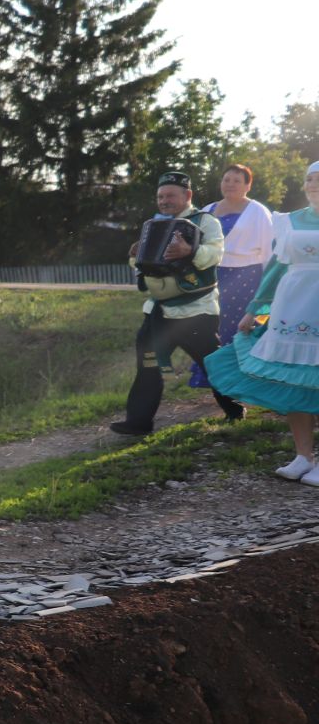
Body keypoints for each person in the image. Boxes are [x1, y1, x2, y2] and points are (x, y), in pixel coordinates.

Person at [206, 161, 319, 485]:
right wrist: (254, 310)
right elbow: (274, 270)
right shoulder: (288, 222)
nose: (313, 185)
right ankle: (303, 456)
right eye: (309, 179)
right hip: (293, 306)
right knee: (294, 383)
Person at [110, 171, 246, 436]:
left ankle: (234, 408)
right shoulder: (154, 225)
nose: (164, 201)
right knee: (148, 364)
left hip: (196, 311)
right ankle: (138, 423)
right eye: (161, 196)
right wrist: (133, 257)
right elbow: (145, 266)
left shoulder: (205, 222)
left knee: (211, 364)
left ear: (188, 196)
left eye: (170, 195)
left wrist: (191, 251)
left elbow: (216, 254)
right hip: (158, 311)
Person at [188, 163, 274, 389]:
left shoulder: (258, 212)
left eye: (237, 180)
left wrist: (269, 289)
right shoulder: (206, 210)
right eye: (227, 179)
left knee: (242, 328)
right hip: (213, 277)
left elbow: (269, 251)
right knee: (211, 328)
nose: (231, 184)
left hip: (249, 278)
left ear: (248, 185)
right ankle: (218, 382)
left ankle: (248, 382)